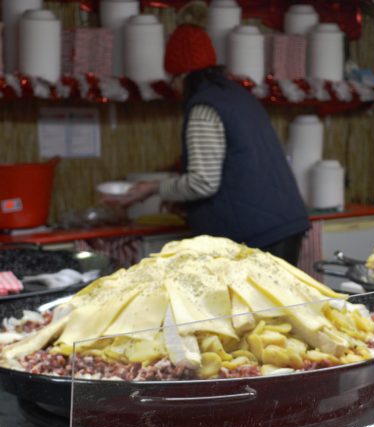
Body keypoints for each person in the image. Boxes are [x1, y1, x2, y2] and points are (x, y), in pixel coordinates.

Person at [106, 24, 310, 266]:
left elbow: (203, 182)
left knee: (257, 305)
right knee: (281, 304)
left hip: (256, 235)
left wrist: (153, 187)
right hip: (284, 224)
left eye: (172, 78)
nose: (173, 88)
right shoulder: (237, 95)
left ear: (181, 76)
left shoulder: (204, 107)